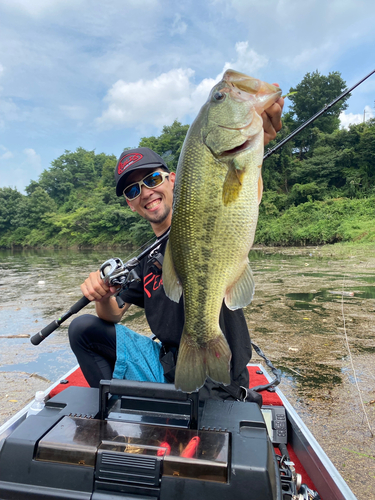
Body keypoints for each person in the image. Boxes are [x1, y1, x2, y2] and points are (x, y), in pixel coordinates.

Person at [68, 95, 284, 399]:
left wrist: (255, 137)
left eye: (152, 178)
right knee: (82, 330)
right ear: (130, 204)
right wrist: (102, 295)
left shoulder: (208, 218)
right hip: (166, 361)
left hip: (216, 366)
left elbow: (237, 190)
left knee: (203, 394)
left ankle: (210, 385)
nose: (146, 191)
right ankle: (115, 414)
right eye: (133, 189)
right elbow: (113, 315)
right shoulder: (144, 259)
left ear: (173, 179)